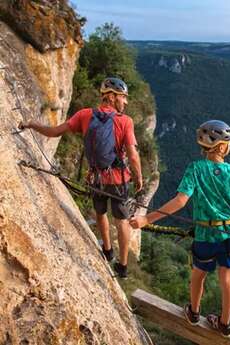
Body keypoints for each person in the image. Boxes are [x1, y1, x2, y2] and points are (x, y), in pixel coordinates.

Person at [129, 120, 230, 338]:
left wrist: (147, 219)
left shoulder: (195, 169)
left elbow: (180, 201)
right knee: (227, 277)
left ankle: (194, 313)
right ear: (222, 147)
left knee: (199, 274)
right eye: (229, 143)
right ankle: (225, 324)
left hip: (206, 234)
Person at [20, 77, 142, 279]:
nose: (125, 102)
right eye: (123, 97)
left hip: (97, 178)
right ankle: (122, 266)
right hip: (118, 180)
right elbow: (133, 155)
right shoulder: (125, 121)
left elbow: (54, 132)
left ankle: (107, 251)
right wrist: (138, 177)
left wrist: (31, 124)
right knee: (122, 222)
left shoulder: (85, 115)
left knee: (101, 213)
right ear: (111, 97)